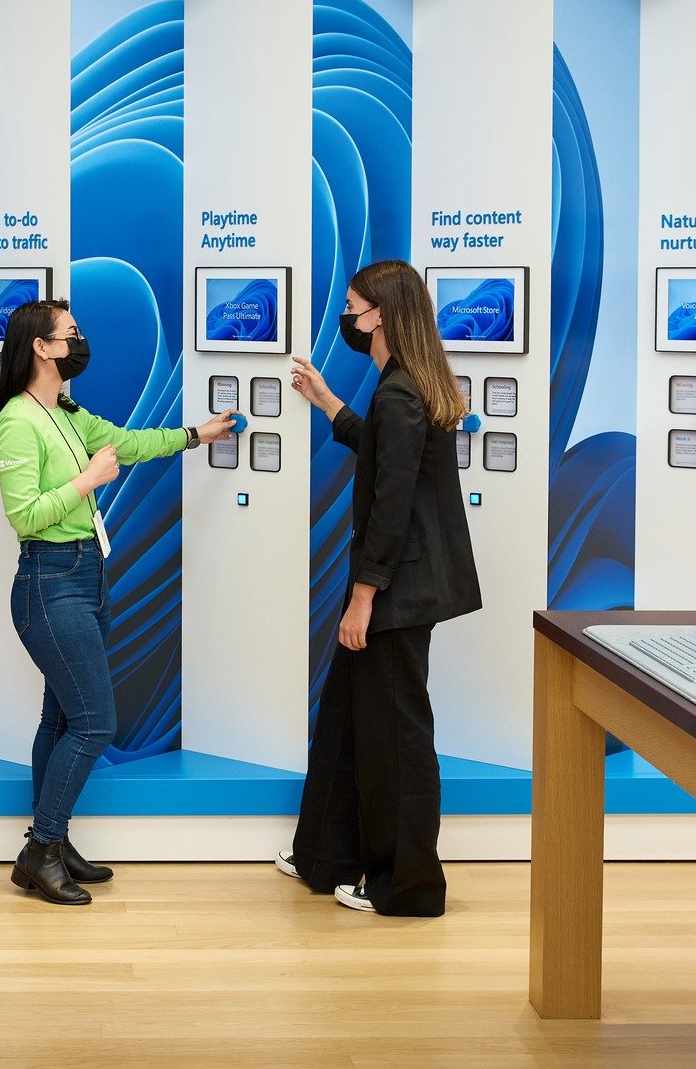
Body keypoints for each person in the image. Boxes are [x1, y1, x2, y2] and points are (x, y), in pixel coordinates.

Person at [0, 299, 237, 905]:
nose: (80, 340)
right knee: (96, 721)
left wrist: (195, 435)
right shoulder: (18, 421)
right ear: (40, 348)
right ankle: (40, 849)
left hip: (87, 577)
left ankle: (54, 842)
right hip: (50, 582)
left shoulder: (65, 411)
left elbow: (127, 443)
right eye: (70, 334)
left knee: (63, 718)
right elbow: (24, 516)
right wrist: (87, 482)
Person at [278, 259, 482, 916]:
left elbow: (390, 505)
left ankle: (408, 885)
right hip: (395, 583)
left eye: (353, 306)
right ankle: (326, 856)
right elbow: (383, 454)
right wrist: (329, 403)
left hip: (395, 590)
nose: (348, 317)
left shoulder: (400, 391)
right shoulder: (403, 385)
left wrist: (364, 597)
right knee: (344, 720)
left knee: (396, 737)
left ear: (382, 316)